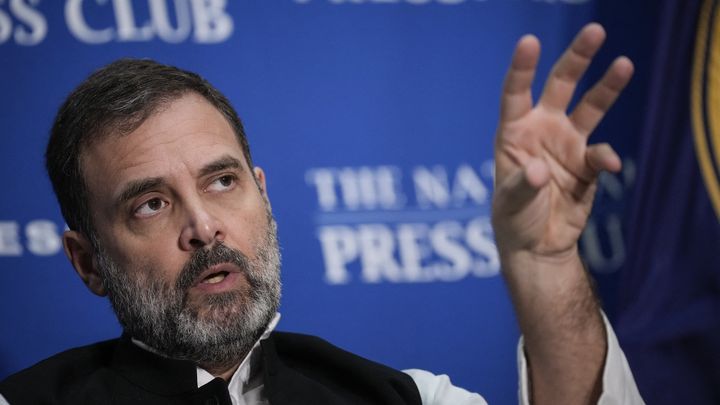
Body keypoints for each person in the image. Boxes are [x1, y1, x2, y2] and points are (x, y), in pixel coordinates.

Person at [0, 23, 644, 404]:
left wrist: (545, 263)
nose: (204, 228)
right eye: (151, 204)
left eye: (221, 181)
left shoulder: (406, 398)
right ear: (88, 262)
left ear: (263, 194)